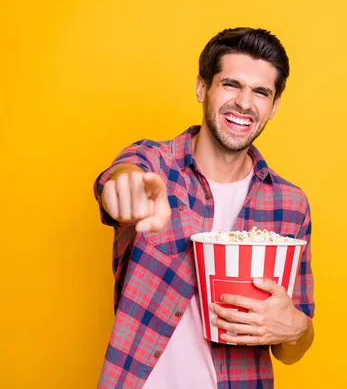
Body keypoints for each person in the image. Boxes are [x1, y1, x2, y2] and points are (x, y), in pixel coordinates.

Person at [93, 27, 315, 389]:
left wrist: (297, 328)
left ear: (273, 107)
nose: (245, 103)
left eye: (260, 92)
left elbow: (293, 348)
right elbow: (121, 177)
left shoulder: (290, 204)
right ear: (202, 87)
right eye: (231, 84)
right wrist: (125, 187)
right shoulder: (154, 165)